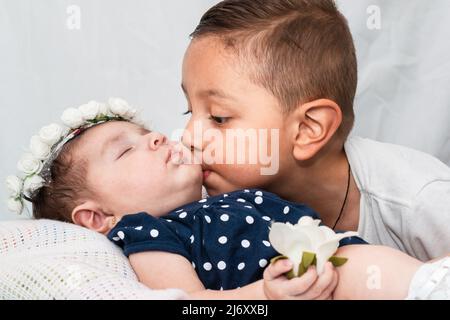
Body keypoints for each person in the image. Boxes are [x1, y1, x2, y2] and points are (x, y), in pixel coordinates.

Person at [6, 100, 448, 299]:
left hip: (346, 259)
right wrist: (266, 295)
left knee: (393, 268)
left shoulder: (218, 192)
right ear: (98, 217)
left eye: (147, 133)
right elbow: (191, 301)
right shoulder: (146, 232)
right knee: (366, 271)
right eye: (127, 150)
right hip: (312, 282)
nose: (157, 137)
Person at [180, 0, 450, 261]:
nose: (188, 136)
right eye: (189, 111)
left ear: (309, 128)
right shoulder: (217, 202)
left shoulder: (417, 200)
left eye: (219, 117)